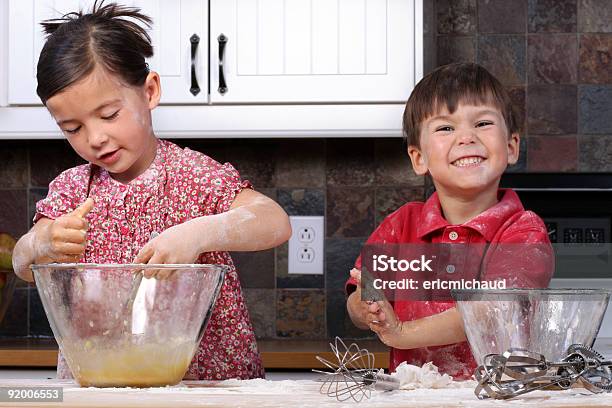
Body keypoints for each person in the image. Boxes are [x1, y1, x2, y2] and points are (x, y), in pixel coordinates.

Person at [12, 2, 291, 381]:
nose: (96, 138)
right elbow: (21, 263)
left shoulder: (194, 176)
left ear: (150, 91)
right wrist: (41, 241)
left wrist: (199, 232)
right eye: (72, 128)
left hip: (209, 389)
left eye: (109, 115)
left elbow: (274, 222)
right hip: (100, 385)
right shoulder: (73, 191)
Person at [346, 63, 554, 379]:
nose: (466, 137)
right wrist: (367, 307)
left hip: (498, 397)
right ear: (419, 158)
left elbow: (493, 310)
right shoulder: (401, 226)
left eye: (483, 123)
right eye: (446, 128)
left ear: (511, 146)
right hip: (414, 398)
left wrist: (402, 332)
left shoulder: (523, 231)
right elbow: (361, 295)